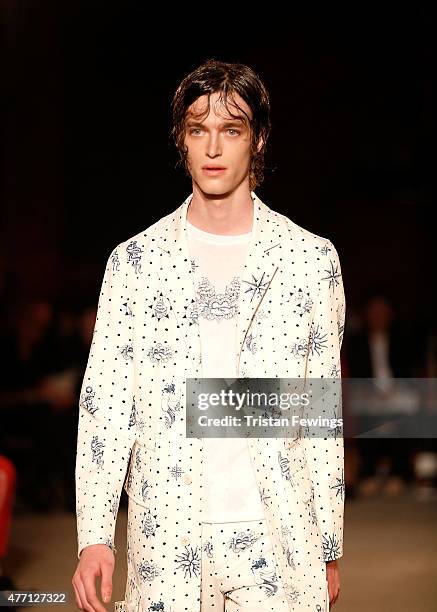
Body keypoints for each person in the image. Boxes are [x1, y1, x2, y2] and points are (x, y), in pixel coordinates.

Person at [72, 58, 346, 611]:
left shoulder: (309, 261)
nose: (214, 148)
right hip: (167, 535)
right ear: (182, 140)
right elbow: (106, 405)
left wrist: (328, 544)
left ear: (259, 139)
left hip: (278, 537)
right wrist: (95, 534)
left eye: (232, 129)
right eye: (199, 130)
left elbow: (320, 412)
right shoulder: (135, 263)